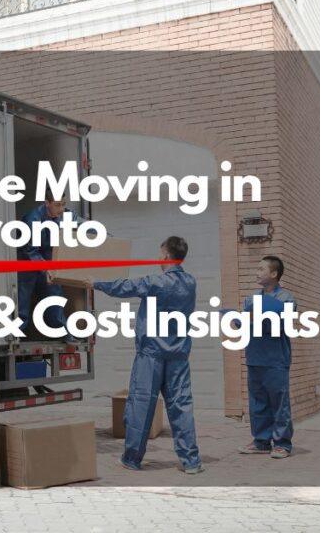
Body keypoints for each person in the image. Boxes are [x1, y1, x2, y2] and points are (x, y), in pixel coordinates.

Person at [83, 236, 204, 474]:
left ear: (167, 256)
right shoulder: (190, 282)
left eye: (160, 253)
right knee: (181, 406)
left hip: (151, 355)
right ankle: (191, 461)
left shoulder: (156, 282)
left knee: (141, 405)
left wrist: (95, 283)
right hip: (178, 355)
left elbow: (124, 287)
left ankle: (132, 458)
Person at [237, 256, 297, 459]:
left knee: (279, 402)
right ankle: (261, 441)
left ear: (274, 274)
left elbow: (284, 326)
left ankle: (282, 443)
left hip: (276, 360)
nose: (257, 272)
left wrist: (261, 316)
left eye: (261, 268)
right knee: (257, 402)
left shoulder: (286, 299)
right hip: (255, 357)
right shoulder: (251, 299)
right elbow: (246, 323)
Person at [17, 198, 76, 337]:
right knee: (23, 301)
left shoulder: (62, 215)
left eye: (63, 204)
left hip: (47, 262)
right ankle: (17, 333)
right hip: (28, 263)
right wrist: (46, 269)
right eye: (57, 205)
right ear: (47, 203)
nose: (61, 209)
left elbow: (79, 221)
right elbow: (30, 250)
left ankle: (62, 331)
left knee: (54, 296)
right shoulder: (33, 220)